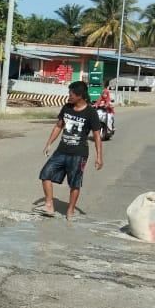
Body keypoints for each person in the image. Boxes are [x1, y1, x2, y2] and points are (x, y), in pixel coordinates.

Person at [38, 80, 104, 221]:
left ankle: (70, 210)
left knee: (74, 183)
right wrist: (49, 143)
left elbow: (97, 136)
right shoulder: (67, 107)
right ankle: (49, 205)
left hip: (78, 154)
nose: (69, 96)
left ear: (80, 96)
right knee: (45, 174)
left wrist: (99, 157)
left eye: (71, 94)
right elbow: (58, 126)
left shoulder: (91, 112)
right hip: (61, 151)